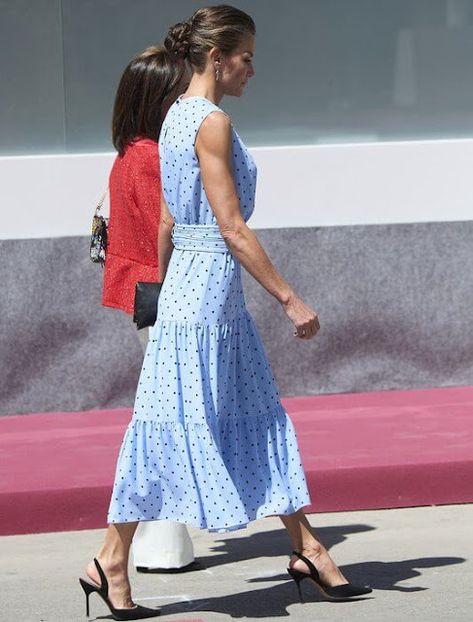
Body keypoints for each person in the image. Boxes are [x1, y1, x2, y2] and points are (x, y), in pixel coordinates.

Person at [80, 6, 371, 619]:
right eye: (247, 57)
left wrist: (161, 290)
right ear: (218, 58)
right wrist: (290, 298)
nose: (252, 70)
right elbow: (232, 228)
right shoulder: (209, 121)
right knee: (214, 417)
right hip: (209, 289)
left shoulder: (171, 117)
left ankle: (308, 547)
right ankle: (111, 557)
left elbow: (166, 221)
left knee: (220, 414)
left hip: (192, 288)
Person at [102, 46, 198, 575]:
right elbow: (175, 227)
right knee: (168, 415)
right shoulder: (152, 158)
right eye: (178, 93)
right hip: (159, 292)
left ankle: (164, 536)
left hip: (141, 290)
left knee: (166, 411)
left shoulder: (128, 153)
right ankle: (161, 537)